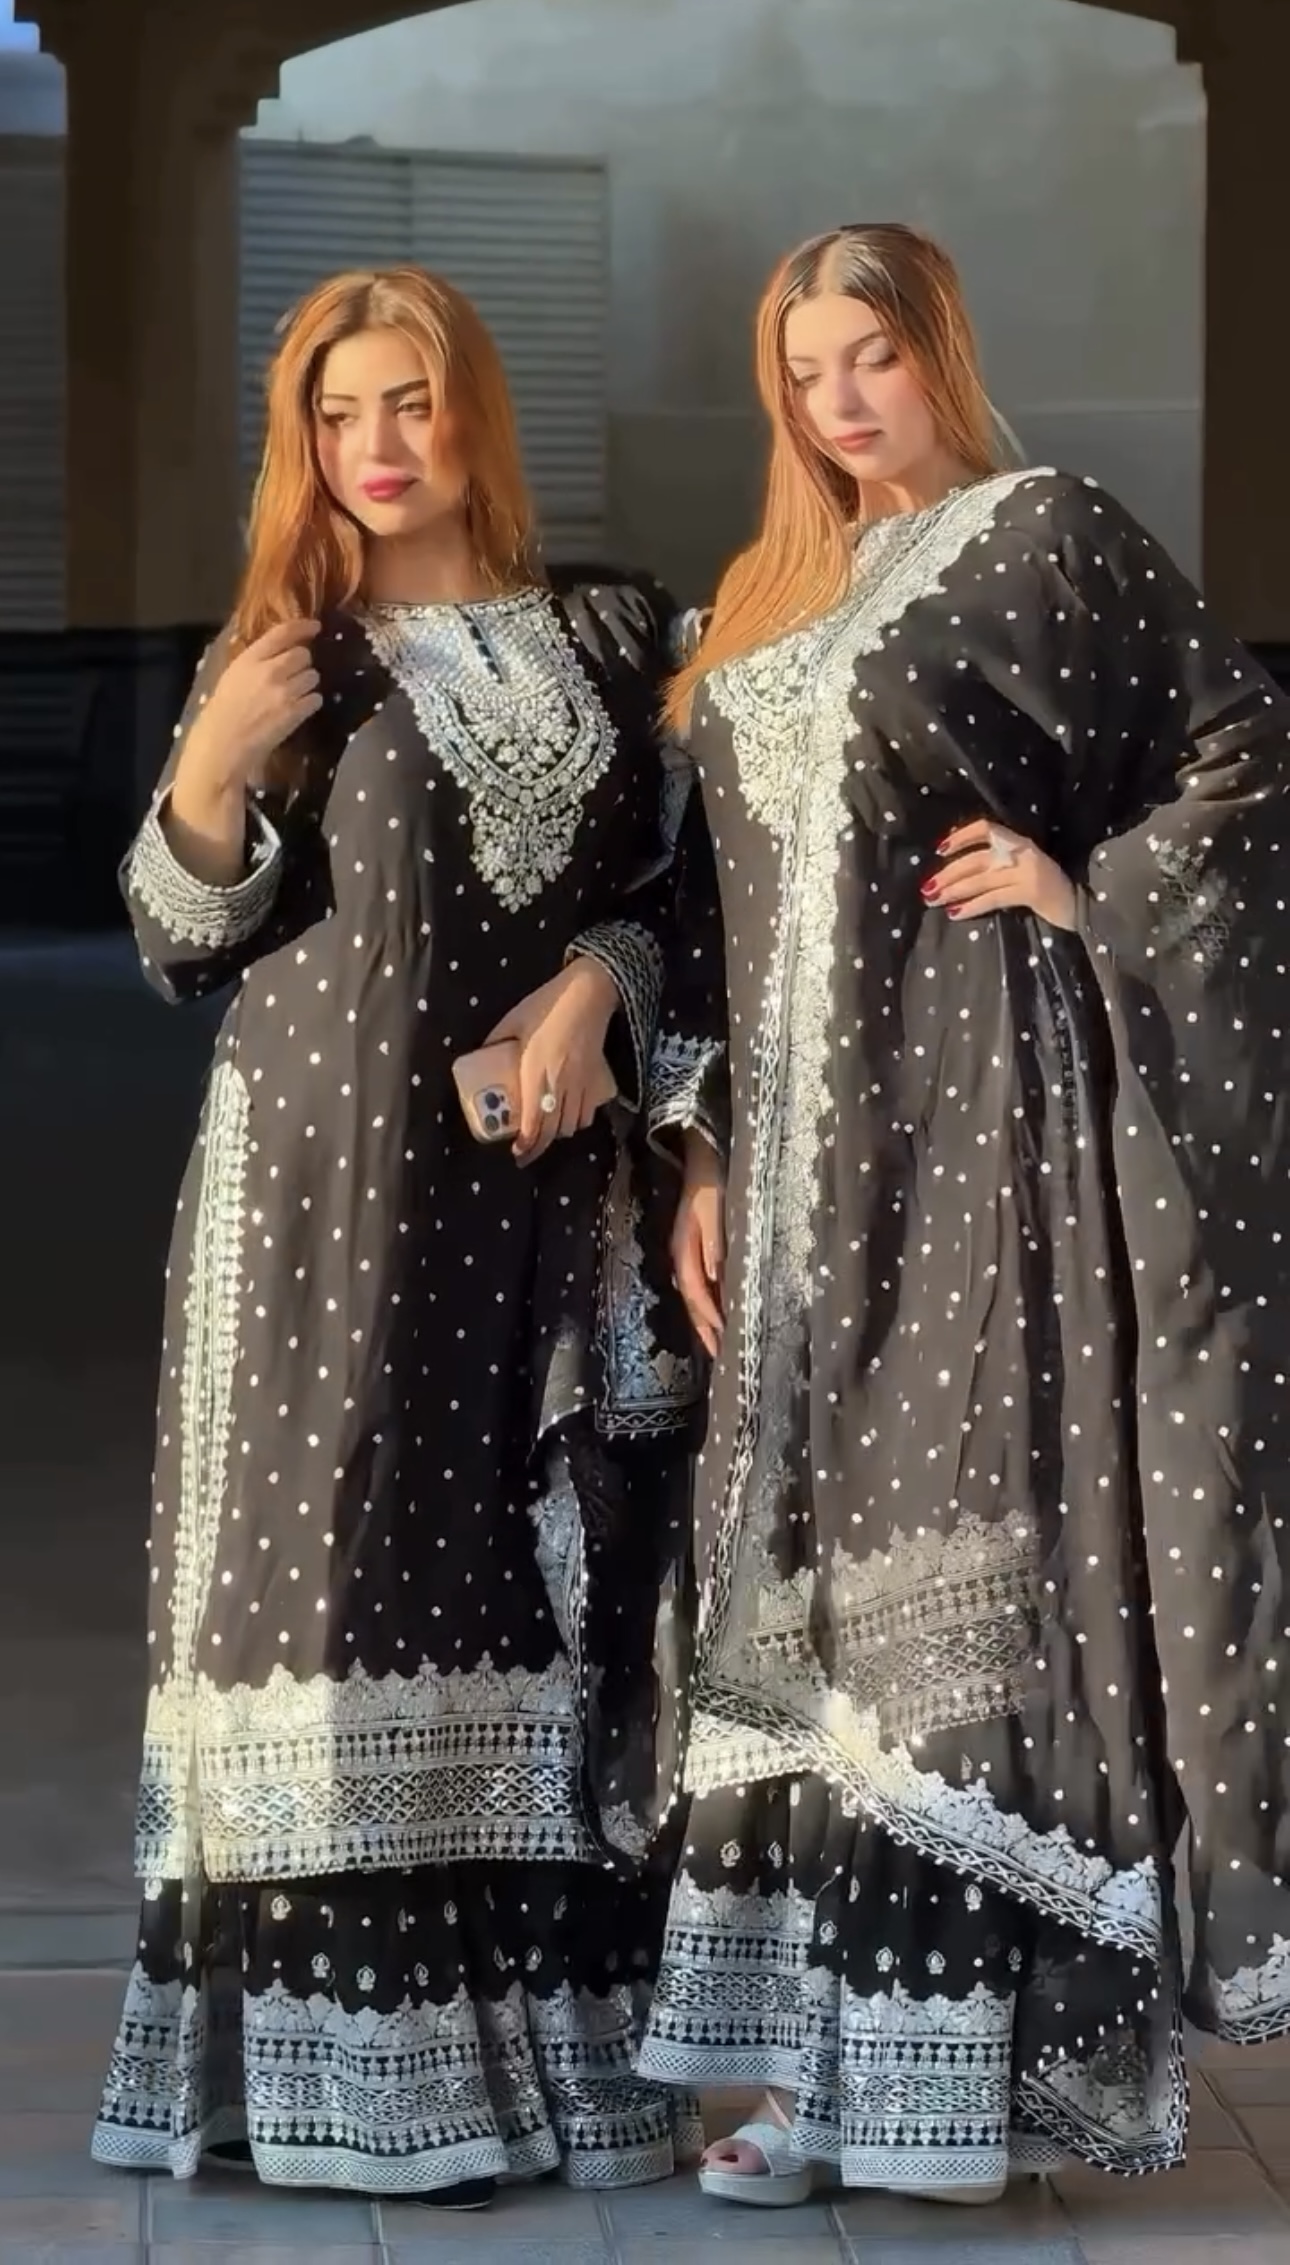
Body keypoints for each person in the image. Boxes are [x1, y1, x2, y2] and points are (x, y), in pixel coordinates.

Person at [637, 219, 1290, 2205]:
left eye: (873, 354)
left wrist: (1086, 886)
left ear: (940, 347)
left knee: (953, 1583)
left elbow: (1239, 750)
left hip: (974, 1136)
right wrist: (704, 1147)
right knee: (800, 1594)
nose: (840, 399)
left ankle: (945, 2080)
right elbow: (713, 907)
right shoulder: (767, 595)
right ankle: (814, 2070)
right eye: (803, 370)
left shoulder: (1044, 533)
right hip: (798, 1178)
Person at [90, 265, 706, 2205]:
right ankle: (356, 2086)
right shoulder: (288, 651)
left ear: (474, 413)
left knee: (541, 1586)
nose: (376, 443)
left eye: (410, 401)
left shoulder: (612, 633)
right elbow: (180, 942)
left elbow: (688, 888)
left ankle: (559, 2067)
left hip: (540, 1207)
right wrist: (211, 761)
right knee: (341, 1578)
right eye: (338, 411)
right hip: (321, 1207)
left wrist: (599, 988)